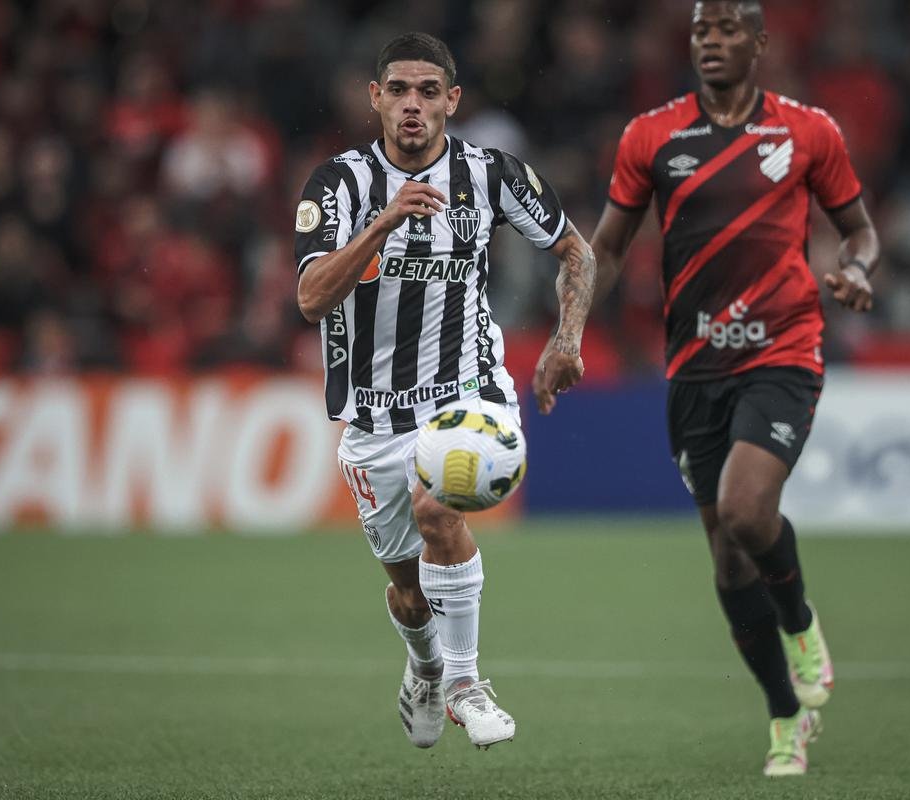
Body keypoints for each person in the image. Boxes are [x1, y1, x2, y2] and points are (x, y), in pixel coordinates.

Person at [579, 1, 880, 777]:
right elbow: (607, 249)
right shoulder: (650, 136)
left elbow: (859, 229)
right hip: (694, 367)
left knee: (749, 511)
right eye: (699, 32)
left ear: (759, 42)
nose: (710, 43)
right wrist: (566, 330)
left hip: (783, 348)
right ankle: (785, 715)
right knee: (725, 560)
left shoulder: (808, 131)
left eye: (725, 31)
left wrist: (855, 269)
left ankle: (800, 619)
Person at [294, 33, 595, 750]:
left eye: (429, 91)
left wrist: (567, 338)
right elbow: (310, 297)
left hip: (466, 383)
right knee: (405, 586)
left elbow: (574, 251)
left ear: (452, 101)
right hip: (372, 412)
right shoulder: (337, 184)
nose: (412, 104)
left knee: (440, 506)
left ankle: (462, 682)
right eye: (397, 89)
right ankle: (425, 667)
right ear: (374, 98)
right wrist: (386, 221)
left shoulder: (490, 174)